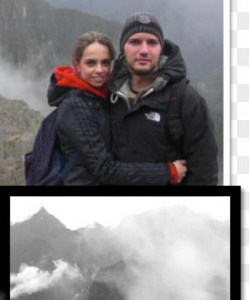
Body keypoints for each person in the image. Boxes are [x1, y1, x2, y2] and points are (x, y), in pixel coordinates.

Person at [48, 31, 187, 186]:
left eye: (105, 63)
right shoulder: (76, 106)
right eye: (91, 63)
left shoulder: (102, 96)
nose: (100, 70)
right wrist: (168, 172)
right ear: (76, 64)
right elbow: (104, 169)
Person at [108, 13, 218, 185]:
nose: (144, 50)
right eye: (135, 42)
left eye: (152, 42)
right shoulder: (111, 96)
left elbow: (204, 174)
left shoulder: (186, 101)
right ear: (123, 48)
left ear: (161, 48)